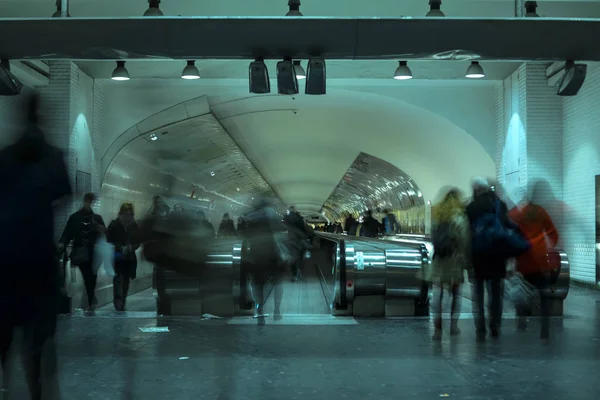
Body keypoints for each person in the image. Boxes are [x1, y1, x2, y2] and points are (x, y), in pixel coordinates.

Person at [0, 92, 71, 399]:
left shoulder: (5, 157)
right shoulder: (52, 156)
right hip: (39, 259)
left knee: (4, 333)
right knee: (39, 340)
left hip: (5, 258)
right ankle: (38, 391)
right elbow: (65, 191)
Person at [466, 177, 516, 340]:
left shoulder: (472, 207)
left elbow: (467, 235)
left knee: (478, 294)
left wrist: (467, 259)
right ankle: (495, 325)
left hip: (479, 256)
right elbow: (508, 228)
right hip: (497, 256)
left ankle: (480, 327)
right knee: (496, 293)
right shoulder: (499, 205)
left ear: (477, 189)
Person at [509, 183, 559, 339]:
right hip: (540, 260)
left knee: (521, 292)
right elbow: (553, 233)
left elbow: (508, 237)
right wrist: (548, 246)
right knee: (544, 294)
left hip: (522, 260)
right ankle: (545, 328)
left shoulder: (514, 214)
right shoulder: (540, 211)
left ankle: (521, 322)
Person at [427, 188, 470, 340]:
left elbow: (433, 237)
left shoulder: (438, 215)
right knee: (455, 294)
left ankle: (437, 327)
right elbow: (464, 240)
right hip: (454, 260)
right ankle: (453, 325)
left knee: (438, 294)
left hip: (439, 259)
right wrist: (466, 260)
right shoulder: (459, 216)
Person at [58, 192, 106, 314]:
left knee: (91, 277)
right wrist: (62, 243)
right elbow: (68, 233)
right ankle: (90, 300)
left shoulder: (96, 218)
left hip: (94, 253)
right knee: (88, 276)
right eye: (88, 200)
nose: (88, 203)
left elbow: (105, 234)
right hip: (82, 252)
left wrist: (101, 231)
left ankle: (90, 299)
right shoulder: (75, 218)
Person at [107, 203, 140, 311]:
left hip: (129, 257)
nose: (127, 216)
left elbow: (138, 241)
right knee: (117, 278)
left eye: (130, 214)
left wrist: (131, 247)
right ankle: (118, 301)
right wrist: (120, 247)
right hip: (117, 255)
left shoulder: (134, 226)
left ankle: (123, 300)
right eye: (125, 214)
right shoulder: (114, 225)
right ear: (121, 213)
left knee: (126, 279)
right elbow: (109, 240)